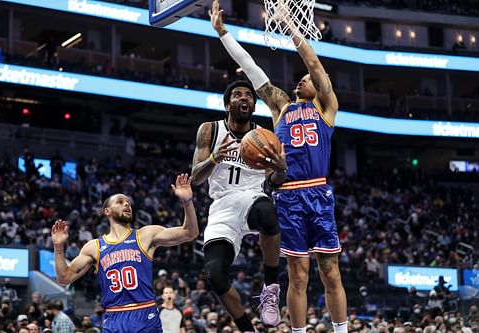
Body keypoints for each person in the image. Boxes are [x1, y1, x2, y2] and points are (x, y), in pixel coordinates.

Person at [209, 1, 347, 333]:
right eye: (298, 80)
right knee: (297, 275)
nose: (301, 81)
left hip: (317, 192)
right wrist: (223, 33)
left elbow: (313, 63)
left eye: (306, 80)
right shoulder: (280, 107)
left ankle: (342, 330)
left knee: (330, 271)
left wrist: (289, 26)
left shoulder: (327, 106)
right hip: (288, 195)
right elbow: (251, 66)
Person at [191, 77, 287, 330]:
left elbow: (274, 183)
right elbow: (195, 178)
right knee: (214, 275)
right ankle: (247, 329)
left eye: (248, 95)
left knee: (268, 212)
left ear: (254, 106)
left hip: (251, 198)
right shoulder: (210, 129)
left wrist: (281, 170)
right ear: (227, 105)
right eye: (237, 95)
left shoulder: (264, 136)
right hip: (221, 205)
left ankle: (271, 289)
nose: (244, 97)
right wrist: (213, 158)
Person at [51, 174, 199, 333]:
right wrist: (59, 248)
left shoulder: (145, 235)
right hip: (114, 317)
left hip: (145, 313)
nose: (127, 204)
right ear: (107, 211)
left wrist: (187, 201)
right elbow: (64, 278)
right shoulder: (94, 247)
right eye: (120, 202)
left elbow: (190, 233)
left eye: (128, 202)